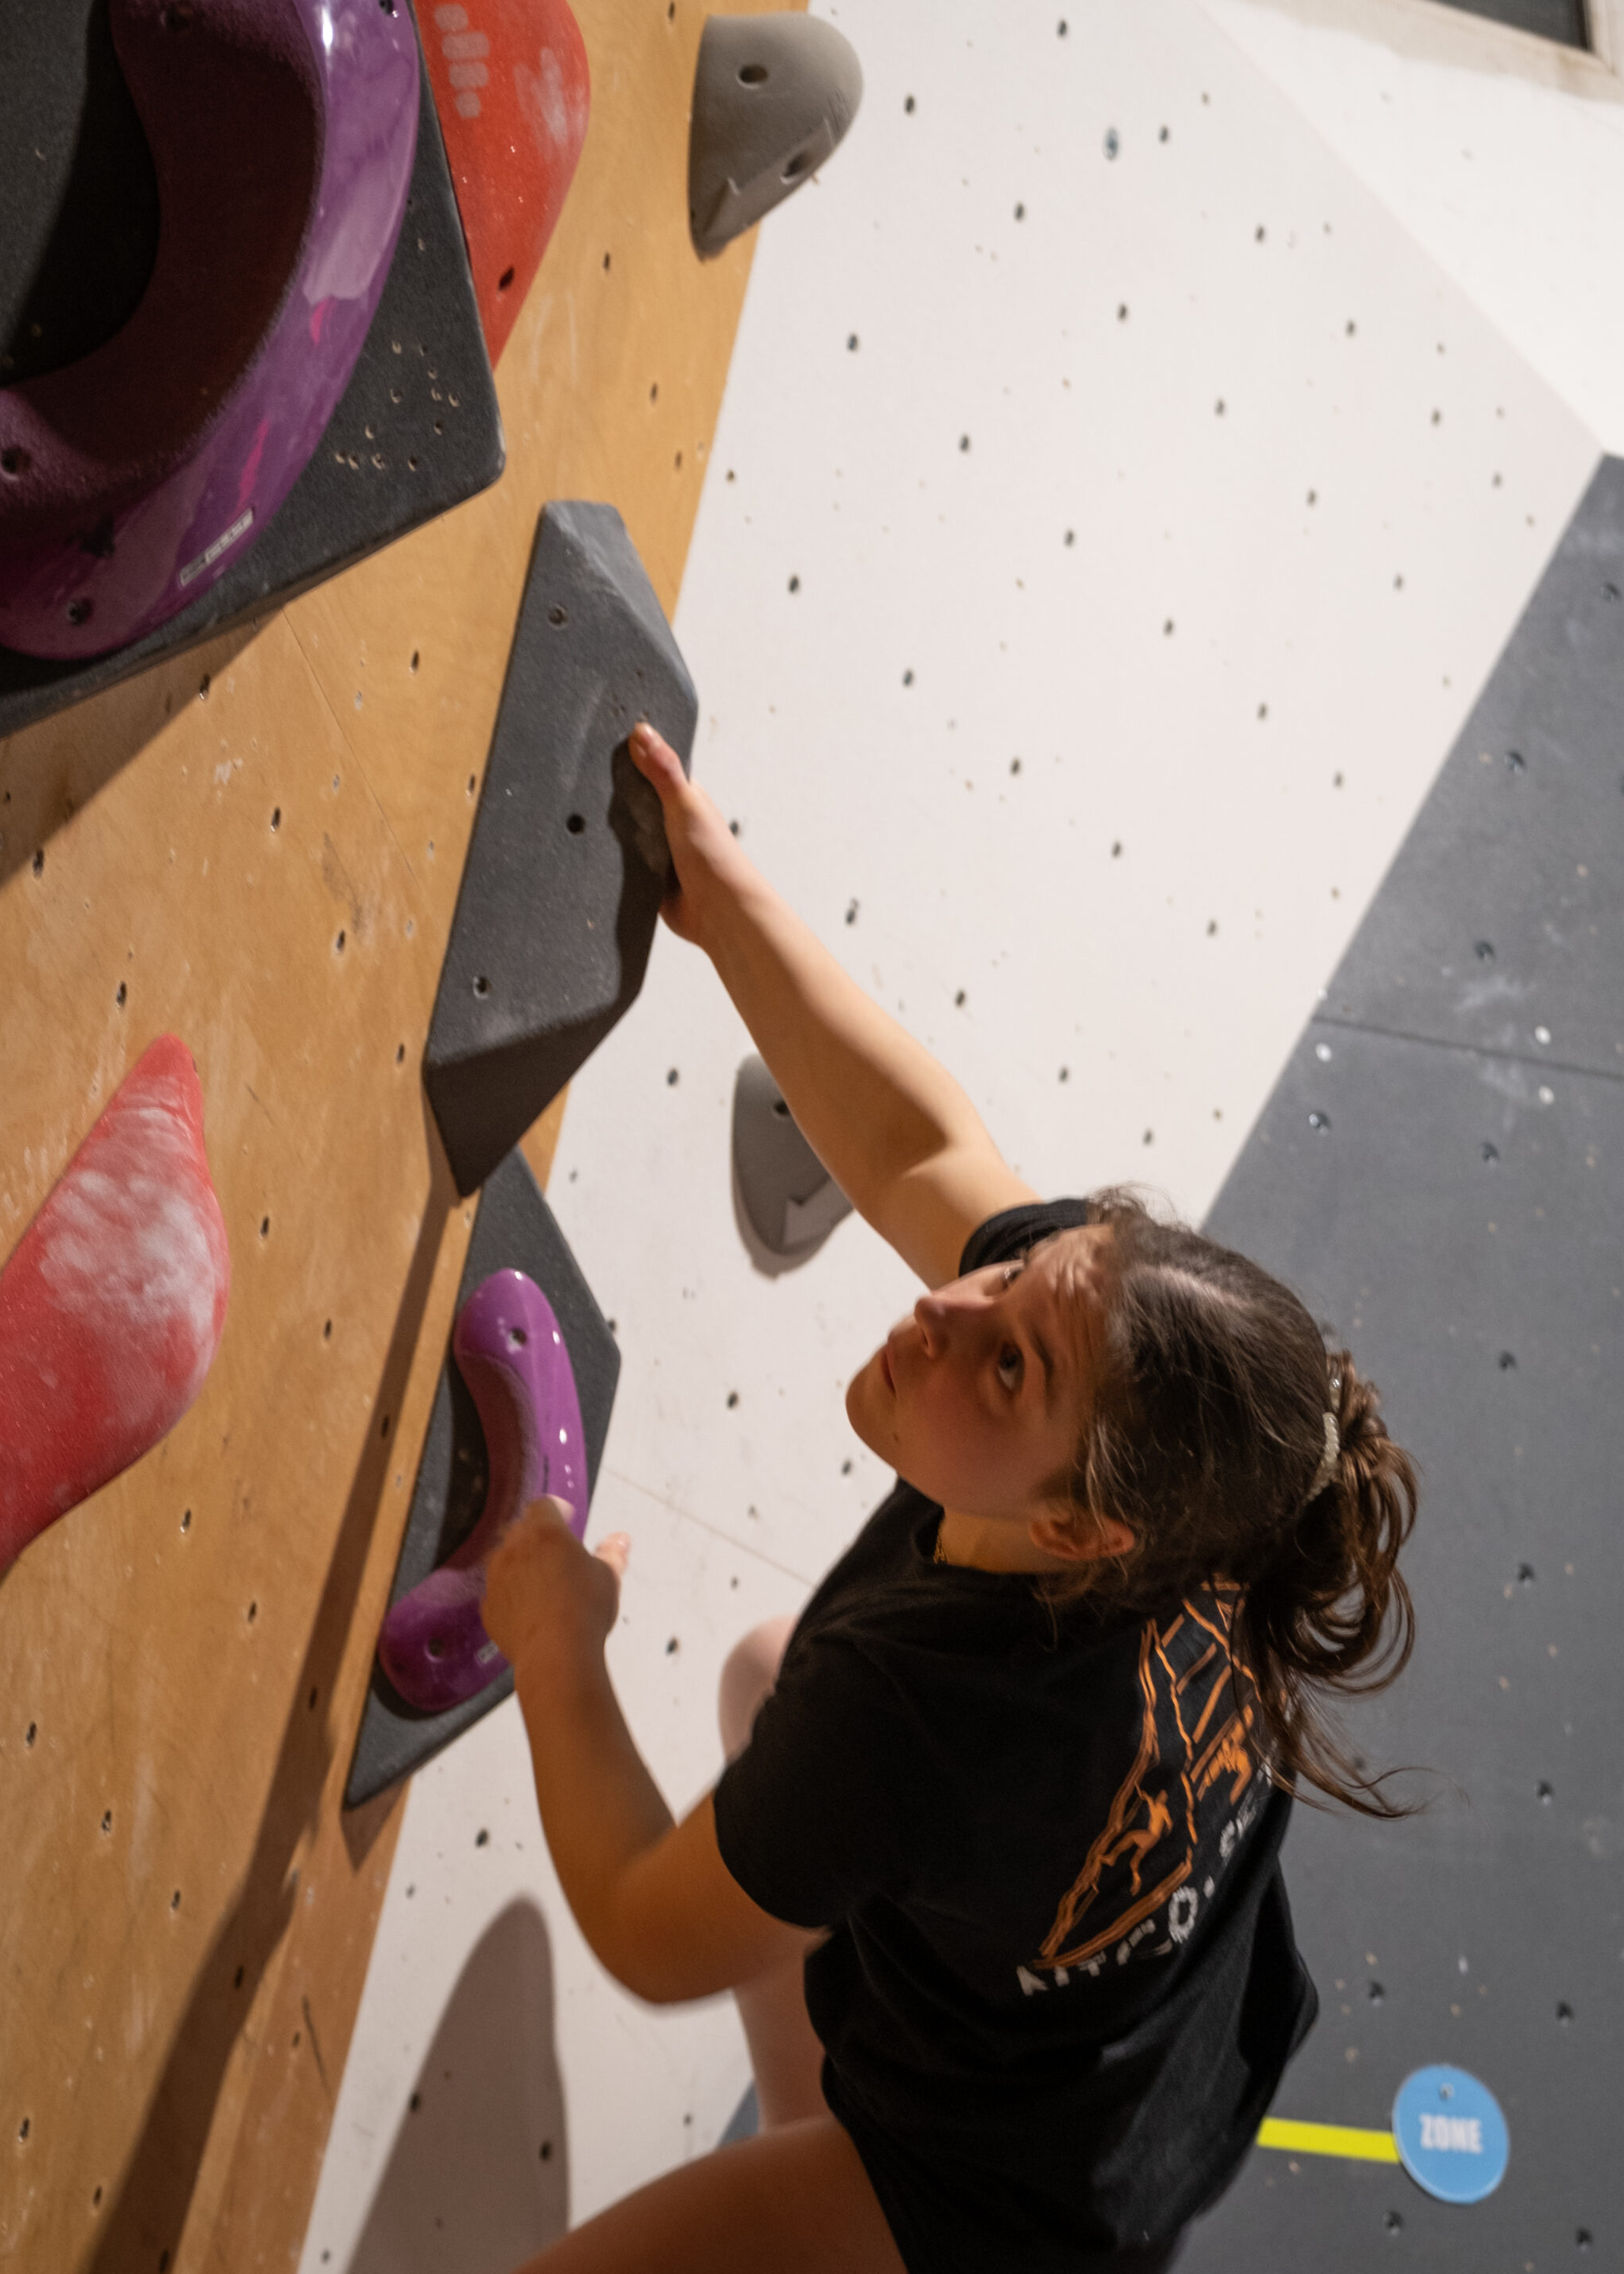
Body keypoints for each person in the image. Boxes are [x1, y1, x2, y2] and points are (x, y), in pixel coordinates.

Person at [483, 721, 1420, 2274]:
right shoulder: (1211, 1482)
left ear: (1079, 1532)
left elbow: (649, 1930)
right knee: (763, 1678)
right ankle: (821, 2133)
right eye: (1016, 1278)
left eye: (1010, 1370)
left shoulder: (913, 1722)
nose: (948, 1311)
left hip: (993, 2220)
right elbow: (920, 1147)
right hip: (1146, 2068)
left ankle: (832, 2185)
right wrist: (725, 900)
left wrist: (554, 1648)